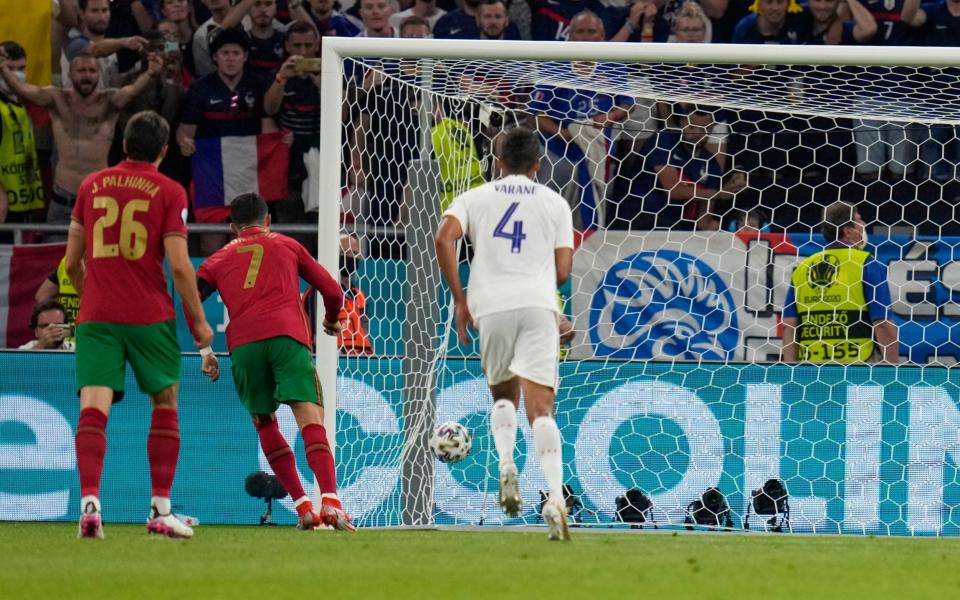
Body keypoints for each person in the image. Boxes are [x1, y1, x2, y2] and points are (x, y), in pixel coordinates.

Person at [65, 110, 214, 539]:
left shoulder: (90, 185)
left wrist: (93, 291)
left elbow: (72, 263)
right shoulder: (168, 190)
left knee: (93, 409)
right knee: (165, 404)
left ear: (124, 145)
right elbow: (182, 267)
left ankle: (90, 505)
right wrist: (200, 324)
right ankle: (160, 510)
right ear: (164, 151)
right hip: (150, 315)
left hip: (97, 316)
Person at [435, 127, 574, 541]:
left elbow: (444, 237)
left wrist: (460, 299)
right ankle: (554, 498)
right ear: (537, 164)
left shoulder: (475, 197)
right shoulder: (555, 202)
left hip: (489, 306)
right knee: (542, 410)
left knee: (503, 398)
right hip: (536, 305)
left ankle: (507, 463)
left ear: (497, 162)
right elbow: (563, 272)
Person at [196, 193, 355, 531]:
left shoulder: (216, 260)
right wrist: (331, 319)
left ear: (232, 229)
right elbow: (331, 288)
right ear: (268, 220)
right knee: (309, 417)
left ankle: (303, 508)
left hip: (244, 346)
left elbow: (189, 298)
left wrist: (205, 351)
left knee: (265, 423)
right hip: (287, 336)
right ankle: (330, 501)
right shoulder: (287, 244)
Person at [0, 50, 164, 227]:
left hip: (99, 199)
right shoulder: (56, 98)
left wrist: (150, 73)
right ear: (70, 74)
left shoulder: (109, 101)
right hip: (62, 200)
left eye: (92, 71)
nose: (87, 76)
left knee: (98, 254)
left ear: (98, 74)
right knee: (54, 253)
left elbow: (132, 91)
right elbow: (22, 89)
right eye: (82, 71)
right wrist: (2, 67)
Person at [782, 201, 898, 364]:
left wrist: (791, 371)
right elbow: (883, 324)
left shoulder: (803, 267)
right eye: (859, 220)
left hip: (811, 367)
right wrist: (893, 371)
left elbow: (789, 326)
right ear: (848, 231)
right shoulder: (866, 263)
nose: (864, 224)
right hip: (859, 365)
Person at [0, 42, 45, 225]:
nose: (16, 74)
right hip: (3, 207)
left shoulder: (22, 104)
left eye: (21, 68)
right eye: (9, 69)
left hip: (22, 203)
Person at [36, 256, 81, 326]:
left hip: (67, 332)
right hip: (89, 333)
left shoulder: (66, 261)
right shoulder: (98, 265)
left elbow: (42, 296)